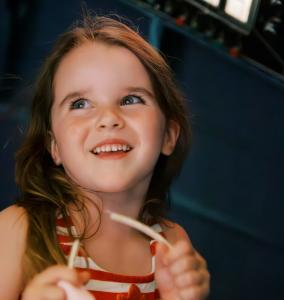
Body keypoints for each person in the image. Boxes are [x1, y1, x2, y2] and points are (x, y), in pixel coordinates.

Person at [0, 15, 210, 300]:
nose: (108, 118)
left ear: (169, 135)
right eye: (80, 104)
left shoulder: (170, 245)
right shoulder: (17, 231)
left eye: (130, 100)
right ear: (54, 145)